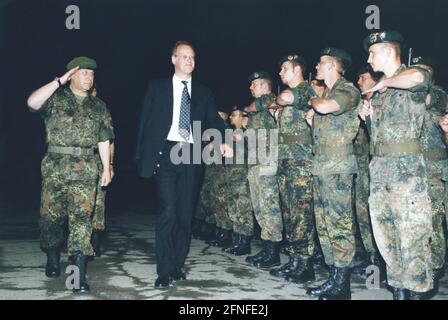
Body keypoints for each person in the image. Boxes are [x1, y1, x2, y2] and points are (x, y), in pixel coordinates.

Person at [135, 41, 232, 289]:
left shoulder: (203, 92)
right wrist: (142, 157)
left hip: (191, 155)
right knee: (168, 211)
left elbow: (214, 120)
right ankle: (164, 270)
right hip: (166, 152)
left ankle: (177, 264)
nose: (189, 60)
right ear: (173, 59)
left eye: (193, 57)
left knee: (184, 216)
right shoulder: (156, 87)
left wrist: (223, 140)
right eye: (184, 56)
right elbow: (145, 123)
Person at [27, 56, 114, 293]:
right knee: (50, 219)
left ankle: (77, 275)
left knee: (81, 222)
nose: (89, 77)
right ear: (72, 75)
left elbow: (104, 138)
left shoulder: (99, 106)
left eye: (92, 74)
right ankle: (52, 254)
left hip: (86, 168)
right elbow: (32, 103)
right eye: (84, 73)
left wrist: (106, 167)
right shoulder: (56, 98)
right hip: (56, 167)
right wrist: (58, 82)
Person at [359, 30, 433, 300]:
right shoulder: (380, 92)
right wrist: (366, 116)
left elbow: (419, 78)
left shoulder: (410, 76)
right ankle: (399, 291)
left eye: (373, 52)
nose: (368, 59)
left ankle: (416, 292)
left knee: (412, 238)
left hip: (406, 174)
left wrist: (384, 84)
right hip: (380, 173)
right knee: (386, 238)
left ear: (389, 51)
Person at [306, 48, 361, 300]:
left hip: (338, 168)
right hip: (322, 166)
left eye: (321, 62)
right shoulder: (329, 92)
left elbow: (326, 107)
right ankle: (334, 278)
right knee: (324, 224)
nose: (317, 65)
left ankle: (343, 284)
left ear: (332, 66)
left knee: (339, 224)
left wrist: (313, 101)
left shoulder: (347, 90)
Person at [269, 55, 317, 283]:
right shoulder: (293, 100)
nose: (280, 73)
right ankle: (295, 260)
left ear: (297, 69)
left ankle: (306, 266)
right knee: (289, 214)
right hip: (286, 164)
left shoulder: (306, 91)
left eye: (284, 68)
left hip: (301, 164)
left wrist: (277, 103)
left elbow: (284, 97)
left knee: (302, 215)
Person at [412, 56, 447, 293]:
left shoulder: (438, 95)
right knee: (415, 224)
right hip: (411, 172)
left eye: (424, 73)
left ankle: (435, 270)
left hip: (433, 172)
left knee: (434, 224)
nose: (419, 77)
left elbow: (425, 97)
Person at [243, 72, 283, 268]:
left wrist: (247, 109)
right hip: (255, 162)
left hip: (267, 162)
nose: (251, 87)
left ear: (265, 86)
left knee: (269, 207)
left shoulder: (269, 100)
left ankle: (273, 252)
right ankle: (266, 248)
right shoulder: (258, 111)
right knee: (259, 208)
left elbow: (251, 106)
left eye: (255, 84)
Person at [352, 66, 384, 276]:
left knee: (376, 214)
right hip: (361, 166)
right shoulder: (360, 105)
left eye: (362, 77)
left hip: (378, 167)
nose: (359, 82)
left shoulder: (381, 101)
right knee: (362, 214)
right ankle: (370, 258)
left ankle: (378, 262)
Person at [222, 108, 254, 255]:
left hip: (242, 175)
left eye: (234, 115)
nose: (231, 117)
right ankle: (237, 241)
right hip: (231, 175)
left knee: (243, 208)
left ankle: (245, 243)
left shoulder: (247, 132)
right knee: (234, 209)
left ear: (243, 117)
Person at [90, 86, 115, 257]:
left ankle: (95, 242)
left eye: (94, 90)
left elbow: (110, 141)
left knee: (98, 204)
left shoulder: (101, 109)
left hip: (99, 161)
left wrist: (110, 165)